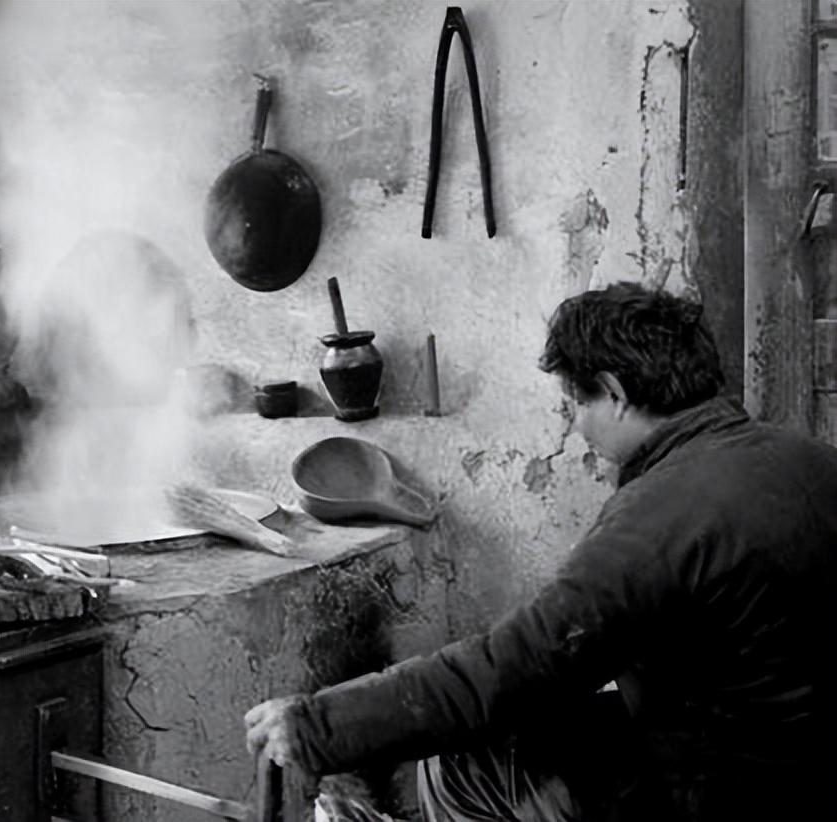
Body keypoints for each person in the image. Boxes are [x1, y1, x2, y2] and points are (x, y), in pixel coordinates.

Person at [245, 282, 836, 822]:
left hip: (728, 793)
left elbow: (506, 672)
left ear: (615, 393)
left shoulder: (660, 517)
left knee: (461, 761)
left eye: (576, 406)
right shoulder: (811, 461)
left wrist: (318, 726)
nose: (579, 429)